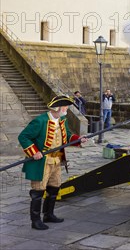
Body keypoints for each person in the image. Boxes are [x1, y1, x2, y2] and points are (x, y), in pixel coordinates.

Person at [18, 95, 87, 230]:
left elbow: (66, 135)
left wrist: (79, 139)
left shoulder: (62, 120)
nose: (67, 109)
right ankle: (35, 220)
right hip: (42, 162)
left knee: (54, 187)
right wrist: (34, 152)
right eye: (65, 107)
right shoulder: (40, 121)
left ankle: (48, 214)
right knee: (38, 191)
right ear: (57, 108)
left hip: (57, 159)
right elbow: (24, 136)